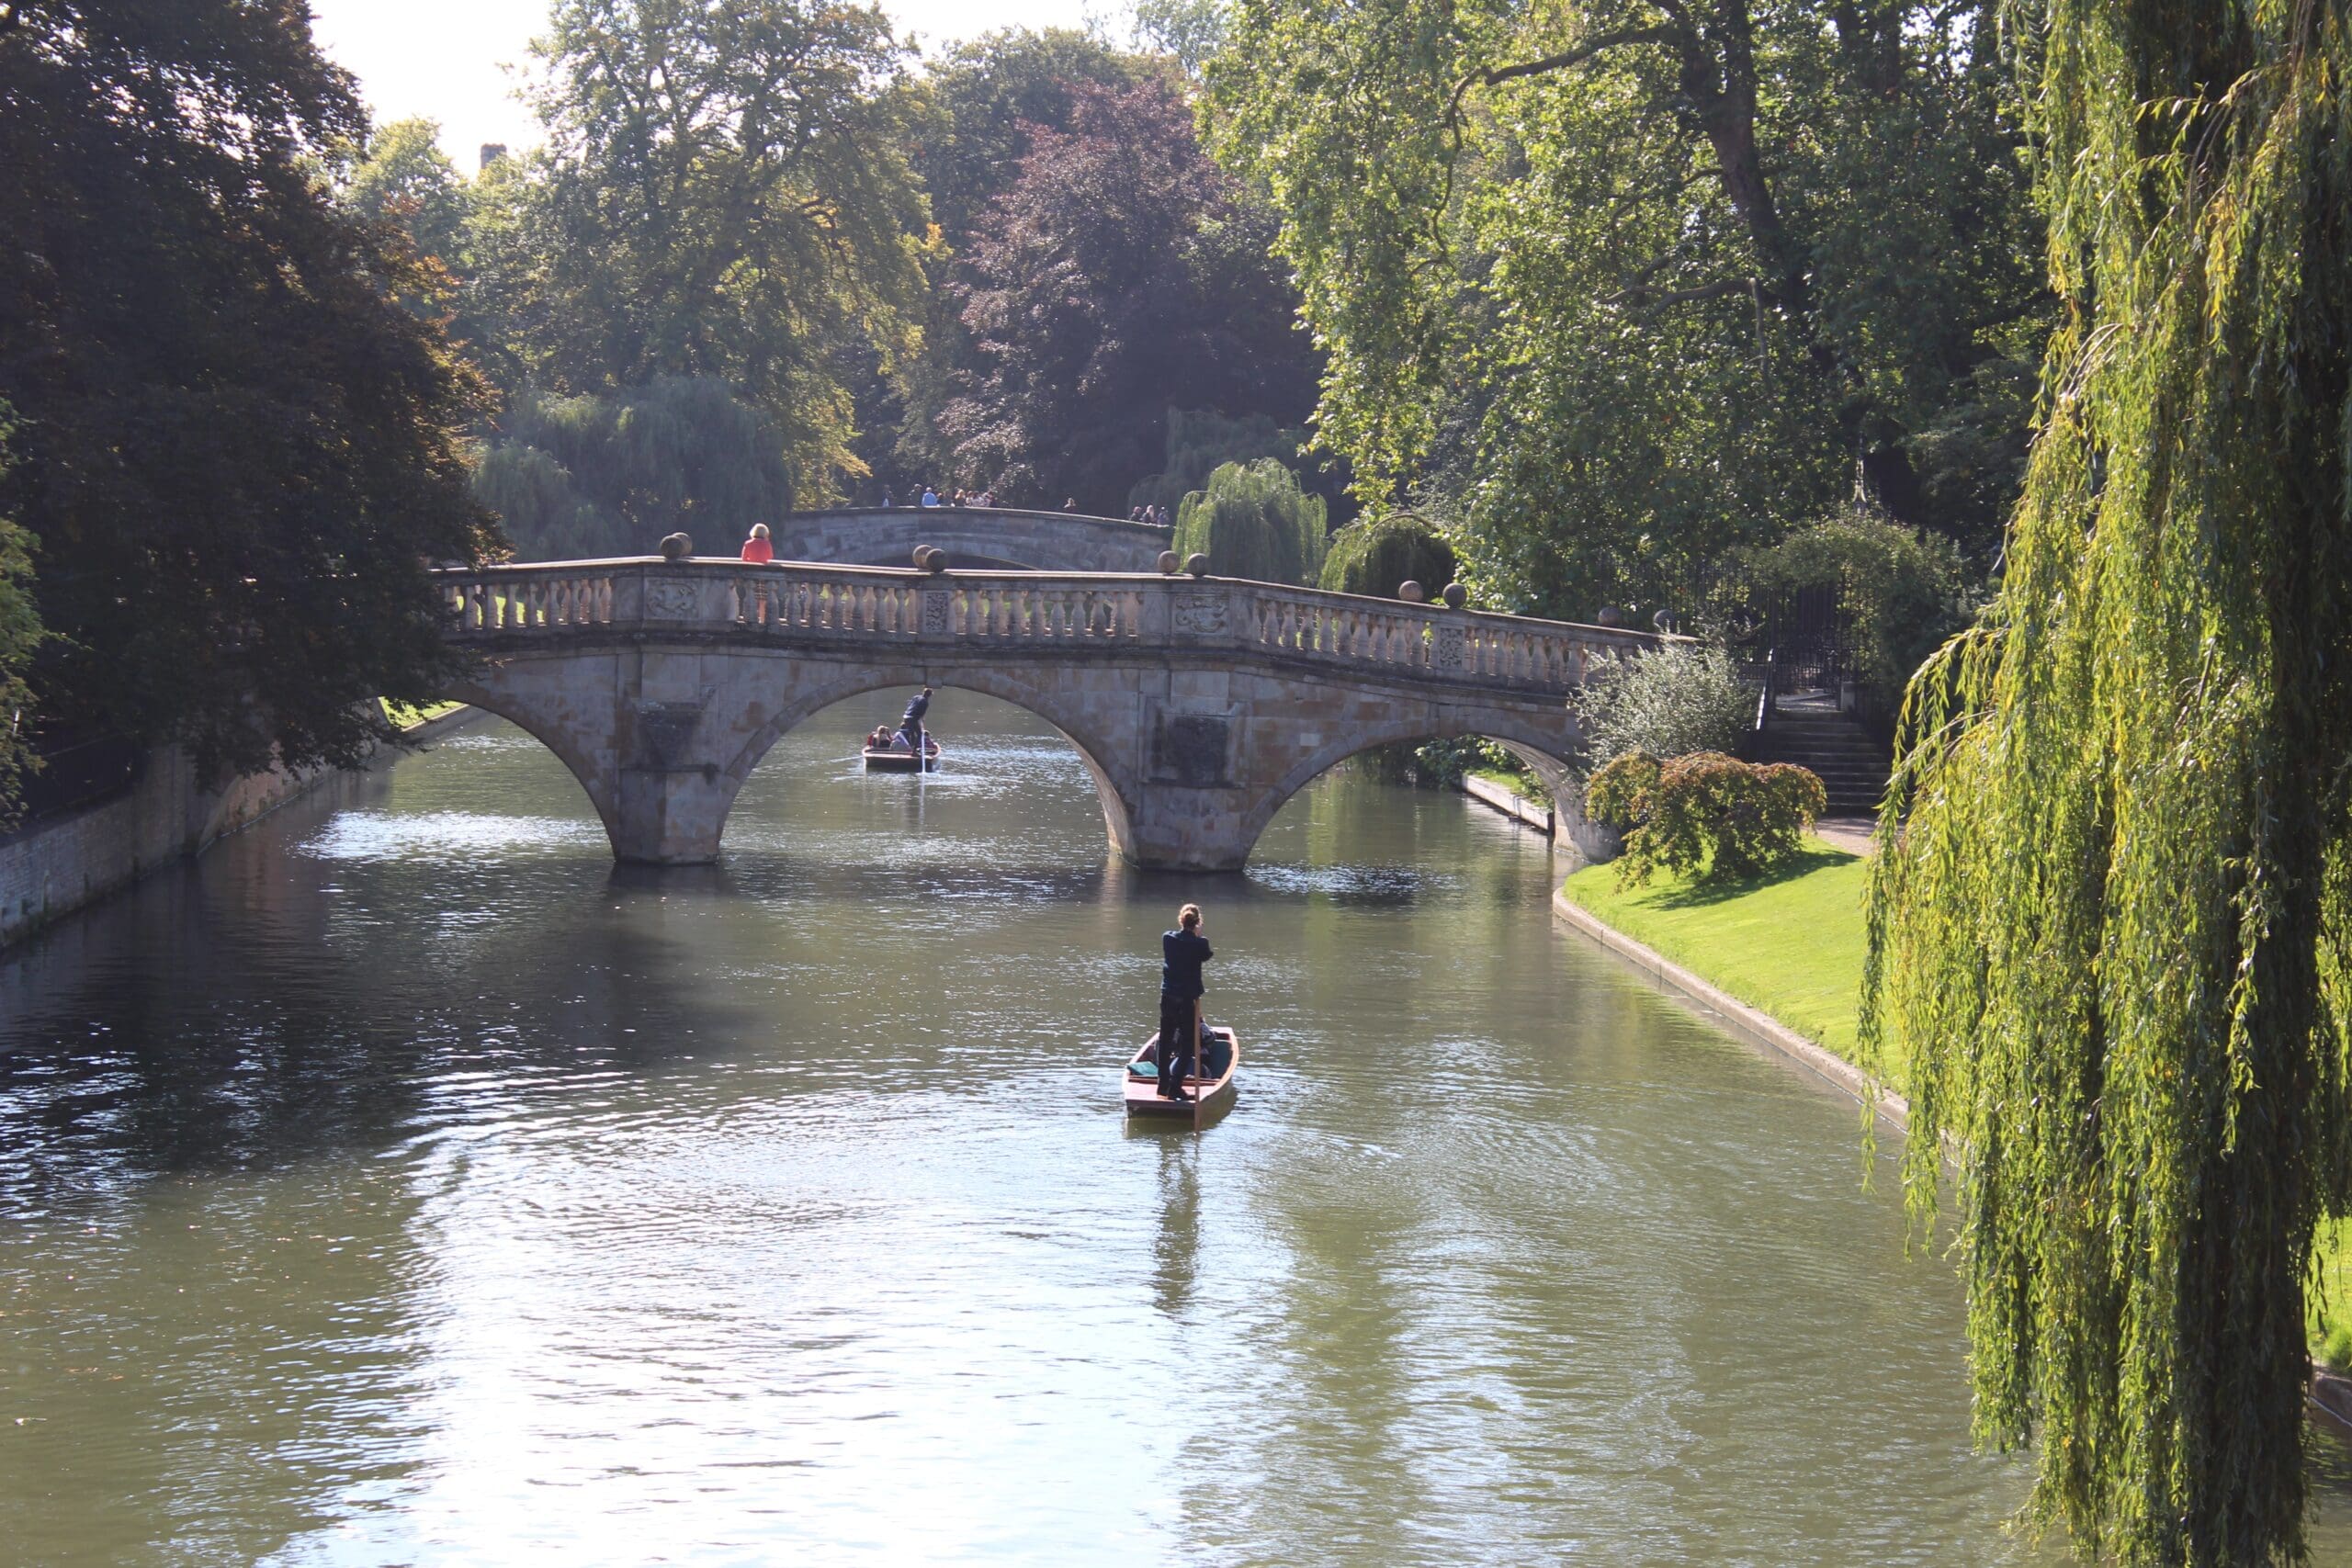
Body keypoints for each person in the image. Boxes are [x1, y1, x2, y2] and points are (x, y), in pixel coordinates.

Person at [1156, 904, 1214, 1101]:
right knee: (1188, 1045)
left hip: (1168, 996)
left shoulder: (1168, 938)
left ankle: (1162, 1086)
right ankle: (1175, 1085)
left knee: (1165, 1041)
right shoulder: (1200, 943)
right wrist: (1198, 935)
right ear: (1197, 922)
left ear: (1181, 920)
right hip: (1187, 999)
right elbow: (1205, 955)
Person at [896, 684, 933, 759]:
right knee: (920, 734)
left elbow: (910, 705)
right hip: (912, 718)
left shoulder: (916, 697)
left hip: (906, 717)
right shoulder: (925, 702)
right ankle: (914, 751)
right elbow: (921, 715)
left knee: (912, 734)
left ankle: (912, 749)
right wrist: (921, 720)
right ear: (930, 695)